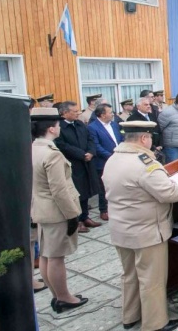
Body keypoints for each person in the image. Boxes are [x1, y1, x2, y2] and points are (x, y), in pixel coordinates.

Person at [104, 121, 178, 331]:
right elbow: (170, 193)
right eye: (150, 137)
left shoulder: (113, 159)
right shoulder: (145, 164)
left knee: (129, 274)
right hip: (146, 231)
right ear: (144, 139)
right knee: (152, 278)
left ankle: (130, 315)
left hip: (121, 228)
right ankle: (155, 323)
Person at [30, 108, 89, 313]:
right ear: (52, 128)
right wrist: (72, 214)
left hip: (41, 209)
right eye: (57, 125)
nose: (59, 128)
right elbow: (59, 190)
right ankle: (64, 297)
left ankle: (57, 295)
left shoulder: (32, 148)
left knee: (46, 255)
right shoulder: (51, 154)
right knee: (56, 257)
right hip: (56, 212)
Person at [54, 101, 102, 233]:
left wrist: (91, 152)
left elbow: (90, 139)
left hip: (86, 162)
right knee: (76, 193)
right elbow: (61, 145)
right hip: (73, 164)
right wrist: (81, 154)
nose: (78, 113)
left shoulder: (80, 124)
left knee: (86, 191)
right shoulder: (60, 127)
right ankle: (77, 221)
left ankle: (85, 216)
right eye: (74, 111)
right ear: (64, 113)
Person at [88, 104, 123, 221]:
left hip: (119, 159)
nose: (113, 114)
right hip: (103, 162)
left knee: (118, 185)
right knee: (104, 187)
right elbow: (96, 146)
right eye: (110, 112)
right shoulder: (92, 127)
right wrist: (112, 156)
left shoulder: (114, 124)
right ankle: (103, 210)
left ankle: (117, 207)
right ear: (102, 115)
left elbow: (120, 139)